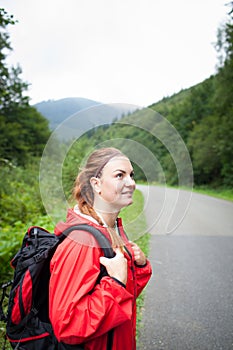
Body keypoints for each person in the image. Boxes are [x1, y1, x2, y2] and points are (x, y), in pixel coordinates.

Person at [49, 147, 152, 350]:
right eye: (119, 175)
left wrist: (138, 267)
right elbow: (67, 326)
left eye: (131, 175)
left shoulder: (111, 230)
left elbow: (124, 300)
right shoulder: (82, 241)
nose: (131, 183)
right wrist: (114, 282)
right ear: (96, 184)